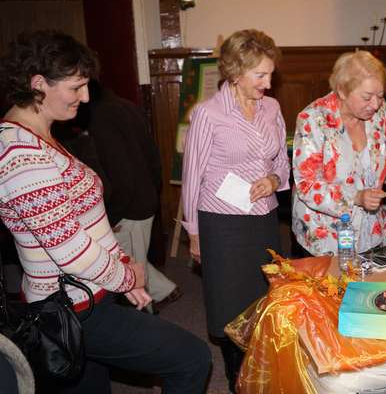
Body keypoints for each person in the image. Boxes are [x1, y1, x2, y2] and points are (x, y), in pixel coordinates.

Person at [0, 30, 211, 393]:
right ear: (38, 85)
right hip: (71, 309)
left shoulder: (39, 137)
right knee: (191, 357)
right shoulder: (21, 154)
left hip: (87, 297)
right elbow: (69, 250)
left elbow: (88, 223)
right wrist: (126, 277)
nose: (85, 97)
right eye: (76, 87)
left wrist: (123, 266)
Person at [181, 29, 289, 392]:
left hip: (264, 219)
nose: (268, 83)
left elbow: (282, 161)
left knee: (264, 299)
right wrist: (194, 232)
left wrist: (273, 179)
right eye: (260, 75)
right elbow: (192, 177)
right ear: (235, 72)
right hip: (222, 223)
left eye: (270, 74)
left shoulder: (272, 108)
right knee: (229, 306)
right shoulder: (208, 114)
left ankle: (261, 375)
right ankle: (237, 381)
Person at [292, 50, 386, 256]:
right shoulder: (313, 120)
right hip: (326, 236)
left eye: (380, 96)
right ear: (342, 91)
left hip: (372, 231)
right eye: (367, 97)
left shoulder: (380, 112)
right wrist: (355, 197)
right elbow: (307, 185)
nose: (375, 105)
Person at [65, 79, 182, 313]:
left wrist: (113, 216)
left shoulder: (101, 118)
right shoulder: (125, 105)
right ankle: (165, 291)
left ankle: (148, 321)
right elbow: (153, 157)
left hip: (130, 207)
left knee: (130, 272)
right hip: (144, 199)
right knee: (133, 257)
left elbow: (121, 177)